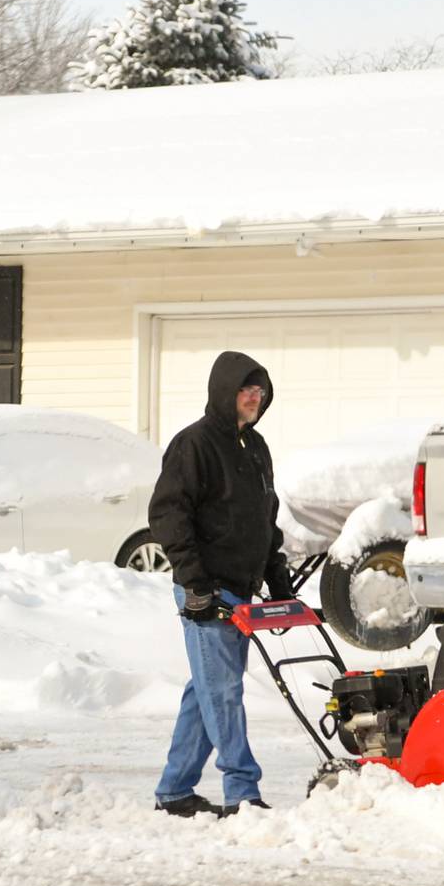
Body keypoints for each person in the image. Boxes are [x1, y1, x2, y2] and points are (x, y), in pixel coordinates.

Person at [148, 350, 294, 818]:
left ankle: (174, 790)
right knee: (223, 691)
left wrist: (277, 579)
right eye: (245, 390)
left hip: (240, 589)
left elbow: (264, 520)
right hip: (206, 591)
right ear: (223, 392)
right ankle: (242, 790)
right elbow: (169, 515)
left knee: (207, 691)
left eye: (260, 392)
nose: (253, 398)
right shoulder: (194, 445)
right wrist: (194, 582)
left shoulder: (257, 447)